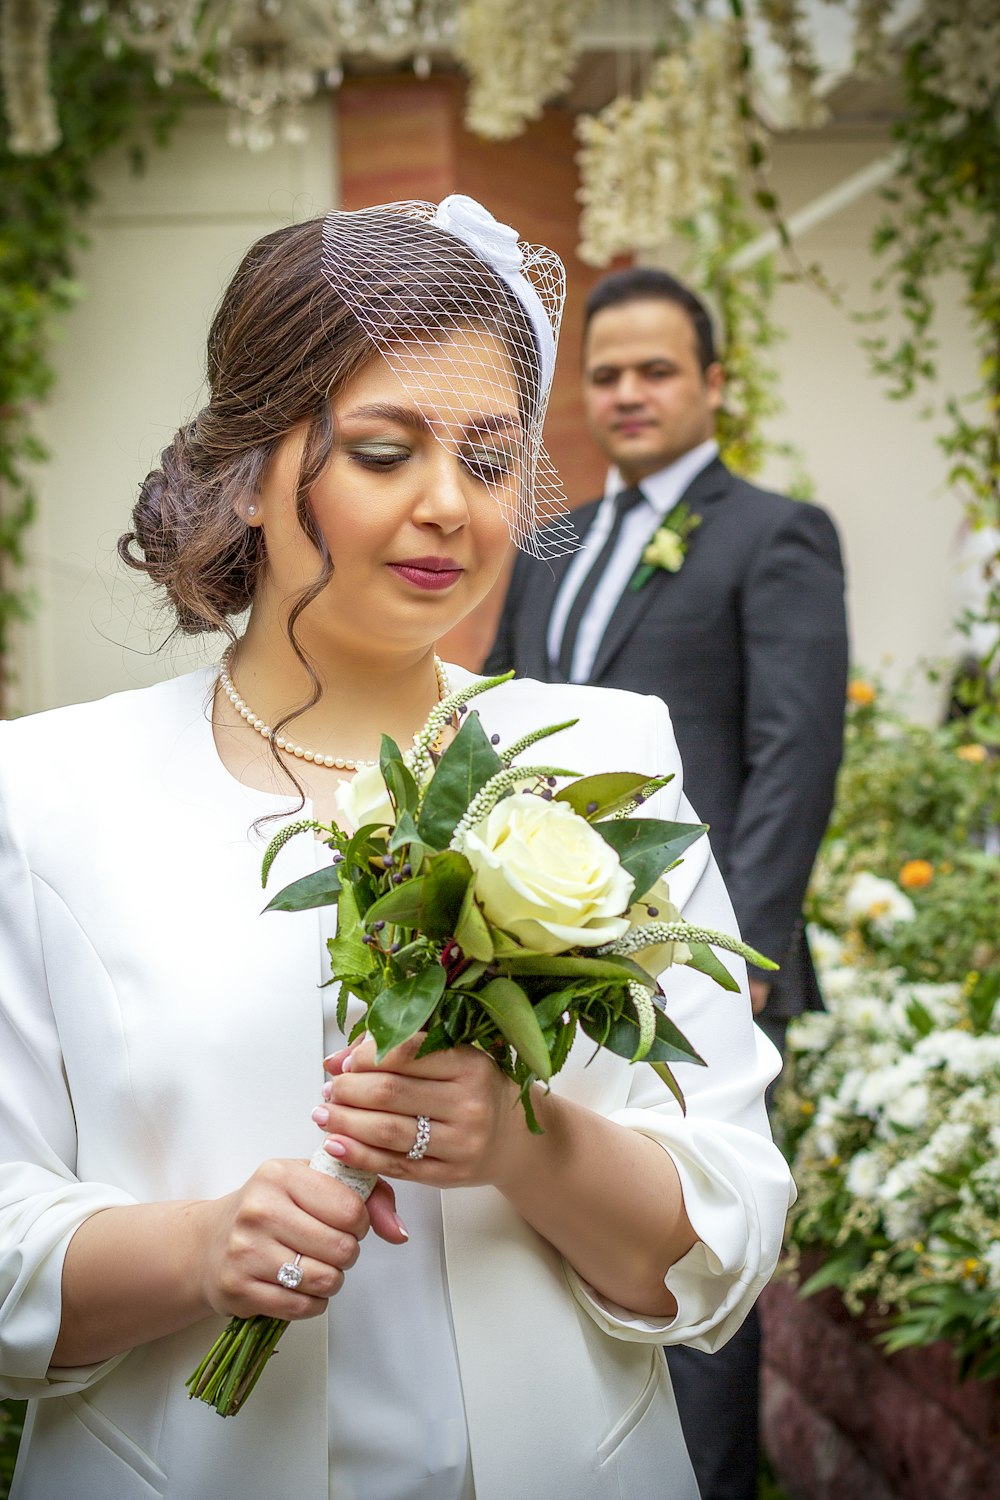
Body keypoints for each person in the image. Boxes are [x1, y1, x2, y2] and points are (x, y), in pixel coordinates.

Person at [0, 200, 794, 1500]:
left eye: (489, 462)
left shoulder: (607, 765)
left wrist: (528, 1145)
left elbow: (724, 1240)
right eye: (382, 450)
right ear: (247, 467)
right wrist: (200, 1251)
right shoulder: (46, 793)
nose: (449, 506)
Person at [486, 265, 849, 1500]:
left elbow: (794, 754)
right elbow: (493, 720)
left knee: (697, 1245)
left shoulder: (775, 533)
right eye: (606, 375)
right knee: (576, 1228)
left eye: (655, 371)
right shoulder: (557, 542)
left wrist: (732, 960)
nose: (628, 395)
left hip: (699, 969)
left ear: (712, 385)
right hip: (547, 952)